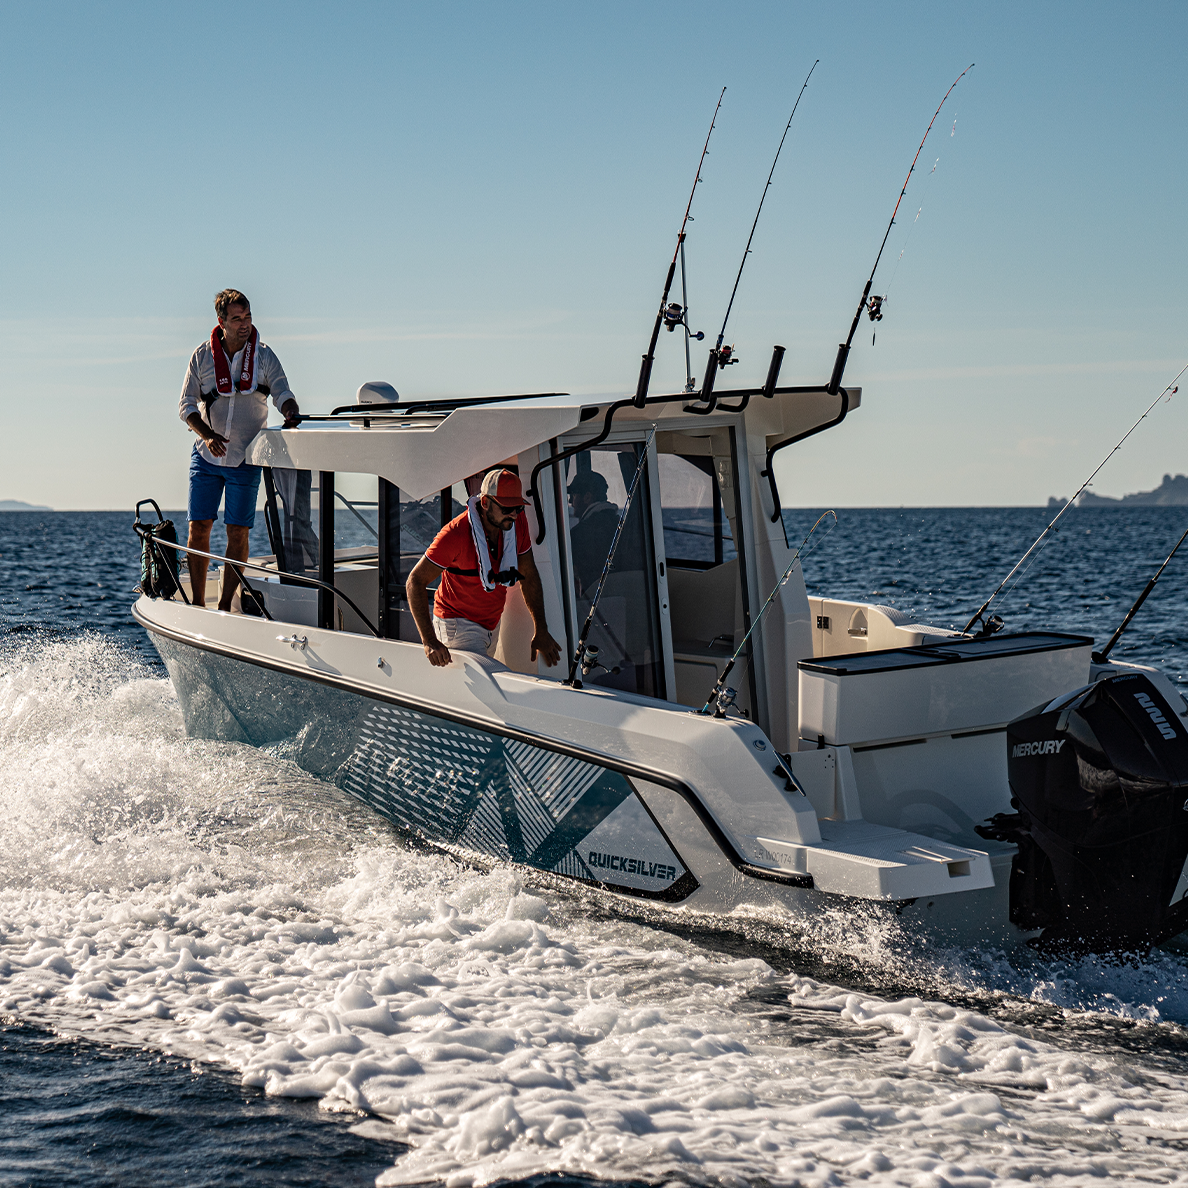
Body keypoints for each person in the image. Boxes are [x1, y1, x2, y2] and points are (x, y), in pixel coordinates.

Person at [178, 289, 300, 610]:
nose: (244, 324)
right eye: (237, 319)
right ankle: (198, 602)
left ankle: (224, 605)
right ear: (222, 322)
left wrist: (290, 410)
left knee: (238, 533)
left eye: (247, 317)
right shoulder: (201, 357)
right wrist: (206, 435)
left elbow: (282, 392)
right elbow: (185, 406)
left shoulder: (264, 357)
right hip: (206, 458)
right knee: (199, 527)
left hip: (247, 458)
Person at [406, 469, 562, 668]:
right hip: (457, 625)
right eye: (507, 508)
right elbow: (414, 581)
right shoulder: (455, 534)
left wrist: (541, 629)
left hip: (491, 626)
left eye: (518, 508)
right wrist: (429, 641)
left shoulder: (516, 523)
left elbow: (529, 575)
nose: (514, 514)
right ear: (486, 503)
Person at [567, 470, 621, 596]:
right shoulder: (620, 525)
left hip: (595, 605)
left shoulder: (579, 534)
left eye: (573, 495)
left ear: (587, 497)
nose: (570, 502)